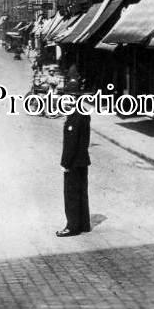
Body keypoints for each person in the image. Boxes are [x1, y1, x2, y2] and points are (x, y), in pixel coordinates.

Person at [57, 81, 92, 237]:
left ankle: (72, 227)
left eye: (66, 96)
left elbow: (71, 144)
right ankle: (84, 224)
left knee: (71, 194)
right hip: (83, 161)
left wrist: (65, 163)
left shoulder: (74, 117)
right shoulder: (84, 113)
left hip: (73, 162)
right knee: (81, 193)